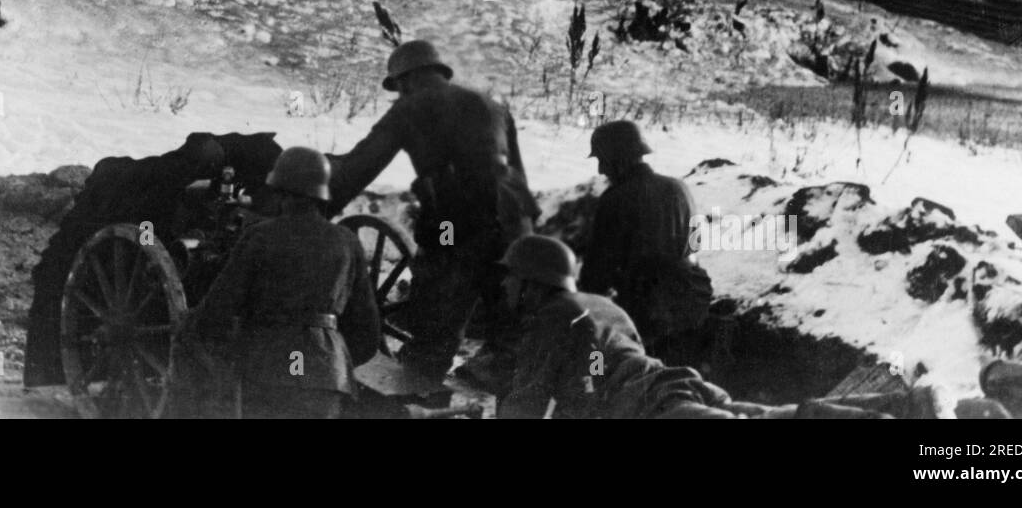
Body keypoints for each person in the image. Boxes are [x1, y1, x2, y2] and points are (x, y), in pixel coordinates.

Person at [498, 236, 896, 420]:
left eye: (511, 277)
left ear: (533, 280)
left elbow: (526, 402)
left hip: (652, 411)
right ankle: (906, 406)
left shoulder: (550, 318)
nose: (504, 285)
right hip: (678, 387)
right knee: (774, 416)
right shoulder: (601, 304)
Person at [326, 39, 539, 383]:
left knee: (436, 308)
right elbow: (517, 171)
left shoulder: (411, 107)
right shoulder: (493, 104)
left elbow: (361, 166)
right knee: (508, 328)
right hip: (514, 221)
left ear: (406, 80)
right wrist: (525, 231)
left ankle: (417, 388)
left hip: (453, 221)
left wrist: (320, 208)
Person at [178, 147, 381, 419]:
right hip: (327, 379)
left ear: (280, 191)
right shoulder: (347, 242)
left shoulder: (259, 236)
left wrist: (194, 330)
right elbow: (367, 332)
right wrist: (327, 364)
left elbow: (217, 311)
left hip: (266, 373)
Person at [579, 120, 712, 366]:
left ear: (618, 159)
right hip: (692, 300)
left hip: (644, 312)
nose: (600, 170)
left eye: (602, 161)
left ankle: (595, 389)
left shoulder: (615, 199)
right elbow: (695, 245)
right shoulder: (679, 188)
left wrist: (585, 308)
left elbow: (597, 272)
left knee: (597, 355)